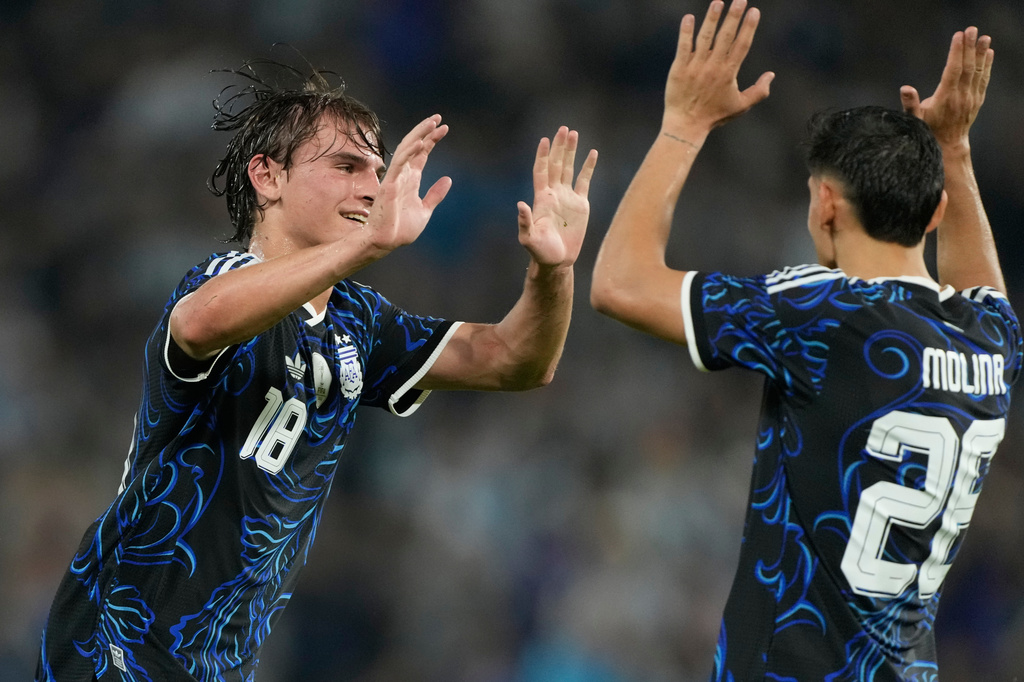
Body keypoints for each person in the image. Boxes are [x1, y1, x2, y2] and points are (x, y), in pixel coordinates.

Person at [35, 60, 597, 681]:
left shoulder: (360, 321)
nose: (373, 189)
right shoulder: (224, 279)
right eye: (346, 167)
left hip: (217, 662)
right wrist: (366, 244)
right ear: (268, 176)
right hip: (115, 643)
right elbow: (198, 323)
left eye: (378, 171)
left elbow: (516, 361)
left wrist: (553, 271)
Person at [590, 1, 1019, 679]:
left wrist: (684, 124)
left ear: (824, 204)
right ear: (936, 211)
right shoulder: (992, 341)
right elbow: (981, 287)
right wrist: (954, 149)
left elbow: (619, 284)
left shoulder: (826, 315)